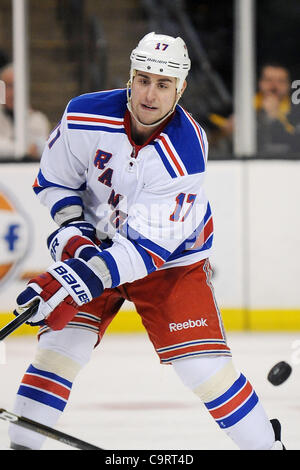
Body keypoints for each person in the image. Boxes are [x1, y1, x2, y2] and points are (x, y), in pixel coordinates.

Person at [9, 32, 285, 450]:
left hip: (170, 261)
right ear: (130, 78)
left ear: (181, 88)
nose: (149, 94)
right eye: (142, 79)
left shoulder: (185, 149)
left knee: (206, 371)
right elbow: (56, 182)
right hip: (99, 245)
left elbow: (145, 250)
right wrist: (77, 247)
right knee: (58, 351)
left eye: (162, 84)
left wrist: (73, 278)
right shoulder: (83, 114)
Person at [208, 63, 300, 157]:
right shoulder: (240, 106)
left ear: (289, 85)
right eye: (268, 80)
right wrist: (225, 132)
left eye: (280, 81)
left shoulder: (296, 111)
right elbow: (207, 138)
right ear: (259, 82)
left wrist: (275, 119)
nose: (274, 86)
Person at [0, 63, 51, 160]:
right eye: (8, 86)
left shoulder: (38, 119)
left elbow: (44, 149)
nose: (12, 92)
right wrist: (26, 149)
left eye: (16, 86)